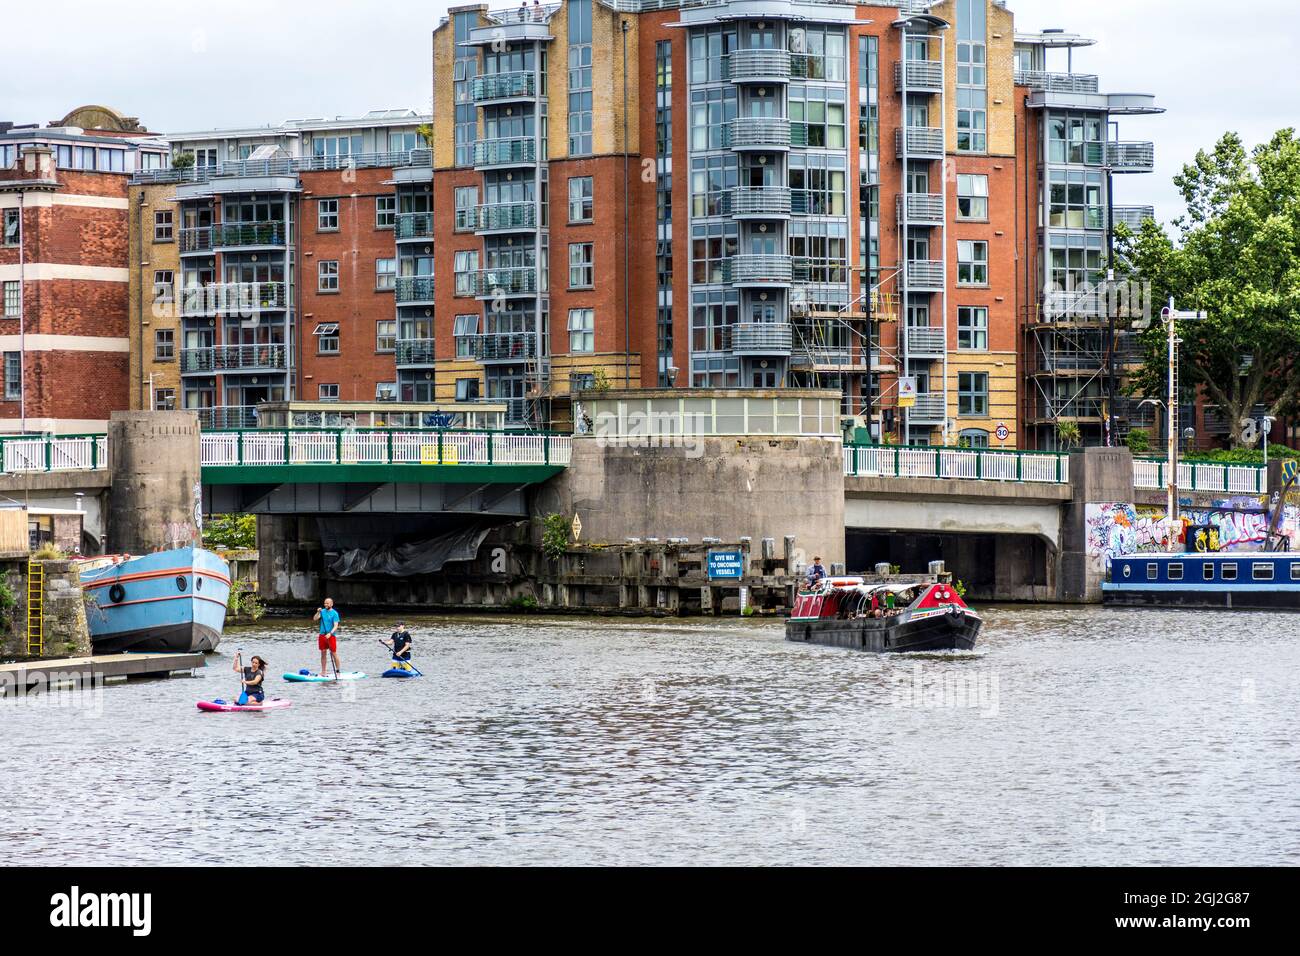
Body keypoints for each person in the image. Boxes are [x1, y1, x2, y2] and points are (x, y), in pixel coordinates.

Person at [313, 597, 341, 676]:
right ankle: (323, 671)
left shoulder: (335, 613)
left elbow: (336, 626)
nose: (326, 605)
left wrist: (330, 633)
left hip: (331, 636)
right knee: (323, 653)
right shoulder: (322, 611)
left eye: (327, 603)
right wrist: (318, 612)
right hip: (322, 635)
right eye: (325, 603)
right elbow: (315, 619)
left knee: (333, 653)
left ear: (331, 604)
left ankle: (338, 671)